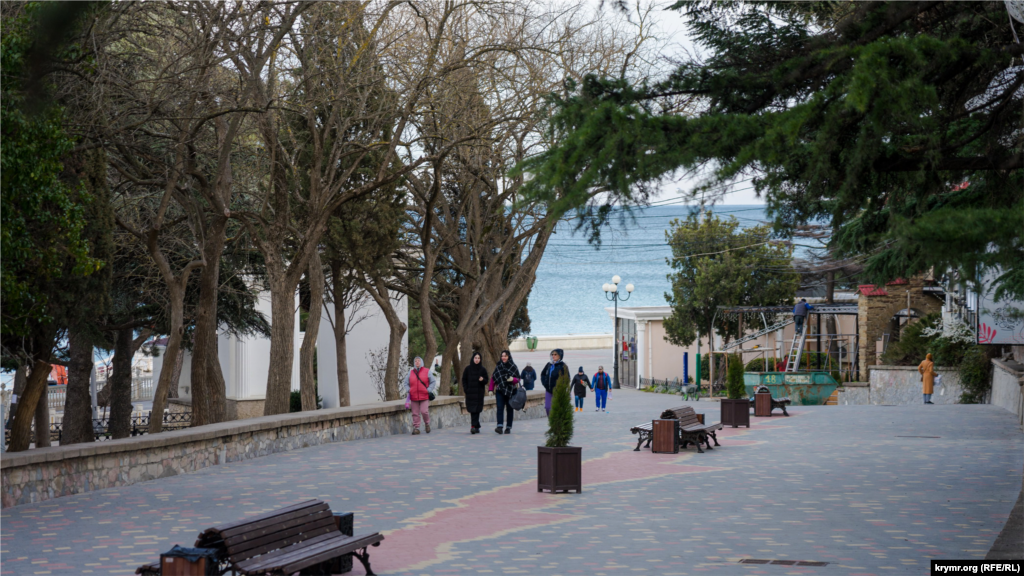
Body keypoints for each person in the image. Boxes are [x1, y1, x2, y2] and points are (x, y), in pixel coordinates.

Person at [402, 356, 437, 435]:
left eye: (418, 361)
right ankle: (416, 428)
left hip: (424, 396)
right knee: (415, 413)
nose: (417, 362)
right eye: (415, 361)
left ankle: (427, 424)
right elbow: (406, 383)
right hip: (414, 396)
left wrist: (429, 389)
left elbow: (433, 382)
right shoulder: (411, 372)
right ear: (414, 363)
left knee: (424, 411)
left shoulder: (427, 371)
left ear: (421, 362)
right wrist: (408, 390)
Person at [492, 349, 521, 434]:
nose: (503, 357)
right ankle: (499, 426)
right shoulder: (498, 366)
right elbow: (493, 378)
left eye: (505, 356)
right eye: (502, 356)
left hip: (511, 391)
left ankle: (508, 427)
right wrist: (490, 389)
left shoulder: (513, 366)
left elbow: (518, 379)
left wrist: (513, 379)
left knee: (509, 409)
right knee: (500, 408)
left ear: (509, 357)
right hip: (500, 390)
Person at [461, 352, 489, 434]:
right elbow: (464, 379)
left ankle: (473, 426)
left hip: (479, 393)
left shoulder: (483, 369)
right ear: (473, 358)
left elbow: (486, 380)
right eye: (475, 358)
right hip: (470, 393)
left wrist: (482, 380)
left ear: (480, 359)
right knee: (472, 410)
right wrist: (466, 389)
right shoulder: (468, 369)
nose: (477, 360)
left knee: (477, 410)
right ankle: (476, 425)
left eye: (478, 358)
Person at [540, 349, 569, 415]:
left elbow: (567, 378)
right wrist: (545, 383)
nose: (553, 356)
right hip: (549, 390)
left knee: (557, 408)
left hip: (558, 391)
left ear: (560, 355)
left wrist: (561, 387)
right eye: (552, 354)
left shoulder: (563, 366)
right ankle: (551, 420)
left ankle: (556, 421)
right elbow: (543, 374)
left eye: (555, 354)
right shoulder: (549, 364)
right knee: (547, 407)